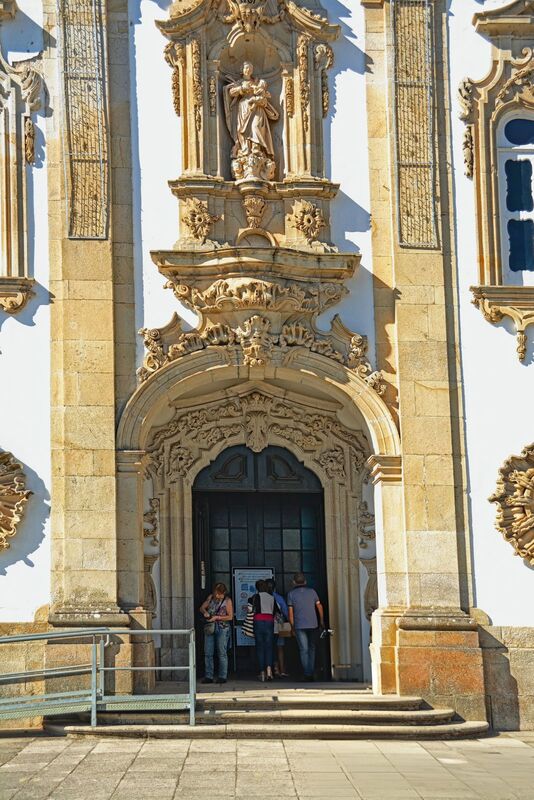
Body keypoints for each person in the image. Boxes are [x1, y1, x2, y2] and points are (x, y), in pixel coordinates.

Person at [287, 573, 324, 682]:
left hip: (299, 625)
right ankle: (310, 672)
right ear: (305, 582)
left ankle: (308, 673)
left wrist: (292, 626)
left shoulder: (291, 594)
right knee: (312, 648)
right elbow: (319, 606)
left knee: (304, 649)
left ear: (294, 582)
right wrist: (321, 621)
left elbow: (290, 613)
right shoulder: (312, 592)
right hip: (313, 624)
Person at [199, 583, 233, 685]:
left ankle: (222, 676)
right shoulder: (210, 598)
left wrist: (217, 617)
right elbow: (202, 608)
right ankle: (208, 676)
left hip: (222, 628)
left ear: (224, 592)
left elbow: (230, 616)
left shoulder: (227, 601)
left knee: (222, 652)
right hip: (210, 627)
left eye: (220, 594)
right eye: (216, 593)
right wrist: (205, 612)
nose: (217, 596)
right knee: (208, 652)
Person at [248, 579, 278, 682]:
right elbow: (275, 611)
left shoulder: (254, 597)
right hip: (269, 621)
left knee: (260, 647)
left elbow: (250, 609)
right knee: (269, 647)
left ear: (257, 588)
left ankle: (262, 672)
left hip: (258, 621)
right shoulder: (272, 597)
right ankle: (269, 670)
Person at [265, 578, 289, 678]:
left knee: (267, 648)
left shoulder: (262, 598)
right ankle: (281, 669)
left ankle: (269, 670)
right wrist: (290, 622)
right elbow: (285, 611)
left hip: (266, 625)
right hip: (279, 625)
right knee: (280, 648)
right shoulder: (279, 598)